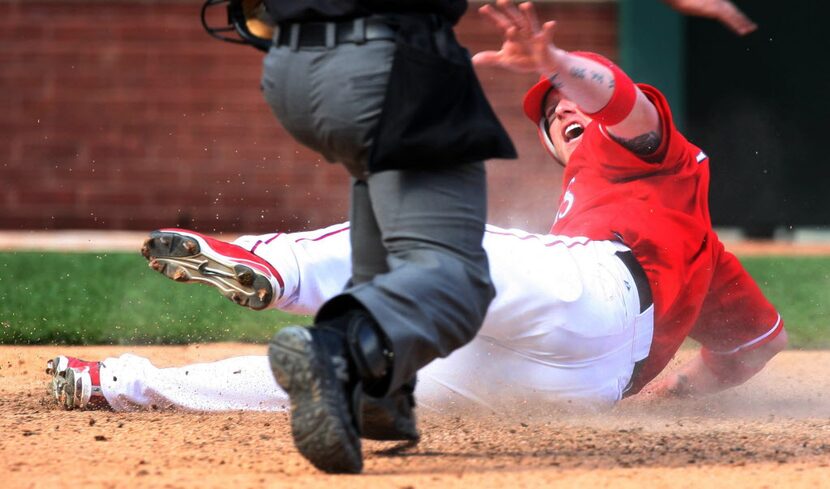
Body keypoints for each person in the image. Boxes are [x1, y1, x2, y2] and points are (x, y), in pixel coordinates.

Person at [48, 0, 785, 452]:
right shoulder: (705, 253)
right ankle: (120, 383)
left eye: (563, 102)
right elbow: (758, 343)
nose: (561, 110)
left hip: (598, 291)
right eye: (549, 116)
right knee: (347, 367)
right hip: (581, 384)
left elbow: (617, 97)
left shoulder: (659, 156)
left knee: (438, 242)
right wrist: (670, 396)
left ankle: (274, 267)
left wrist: (561, 62)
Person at [251, 0, 518, 475]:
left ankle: (380, 393)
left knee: (395, 233)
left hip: (289, 70)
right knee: (454, 278)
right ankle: (336, 350)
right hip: (385, 61)